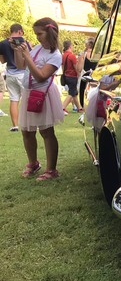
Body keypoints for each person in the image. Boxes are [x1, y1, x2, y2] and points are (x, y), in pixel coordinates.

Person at [11, 17, 65, 180]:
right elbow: (21, 66)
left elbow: (41, 76)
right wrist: (17, 50)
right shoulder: (37, 48)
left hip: (43, 95)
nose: (37, 37)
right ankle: (33, 163)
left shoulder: (55, 55)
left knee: (46, 131)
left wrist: (27, 55)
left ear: (50, 32)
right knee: (27, 131)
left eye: (39, 34)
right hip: (29, 93)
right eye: (35, 34)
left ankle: (51, 169)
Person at [0, 23, 30, 131]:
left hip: (10, 73)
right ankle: (28, 124)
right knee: (27, 99)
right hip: (22, 73)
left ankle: (15, 126)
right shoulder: (23, 42)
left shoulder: (2, 43)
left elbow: (2, 60)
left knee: (14, 99)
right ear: (20, 31)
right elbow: (29, 57)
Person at [60, 40, 82, 114]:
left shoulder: (63, 55)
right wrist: (78, 74)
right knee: (71, 93)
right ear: (70, 46)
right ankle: (62, 108)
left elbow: (62, 66)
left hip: (66, 75)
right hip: (72, 76)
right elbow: (76, 67)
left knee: (74, 92)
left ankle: (79, 108)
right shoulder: (72, 56)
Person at [77, 37, 95, 108]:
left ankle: (83, 107)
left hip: (85, 77)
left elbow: (79, 68)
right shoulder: (98, 55)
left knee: (83, 95)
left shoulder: (83, 55)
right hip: (94, 78)